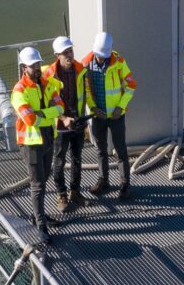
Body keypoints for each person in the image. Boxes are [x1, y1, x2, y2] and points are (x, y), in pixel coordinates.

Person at [11, 46, 65, 242]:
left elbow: (60, 106)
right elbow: (30, 120)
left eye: (39, 64)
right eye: (34, 66)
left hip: (48, 137)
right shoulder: (19, 91)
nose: (38, 68)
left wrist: (45, 113)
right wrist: (48, 113)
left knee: (45, 177)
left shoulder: (47, 83)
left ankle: (38, 216)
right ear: (24, 67)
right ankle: (40, 225)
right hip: (31, 143)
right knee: (38, 184)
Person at [83, 32, 136, 200]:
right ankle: (103, 180)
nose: (100, 59)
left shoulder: (119, 62)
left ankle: (125, 184)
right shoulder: (85, 65)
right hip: (98, 116)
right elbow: (85, 91)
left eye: (103, 56)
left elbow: (131, 85)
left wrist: (120, 107)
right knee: (101, 150)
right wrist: (92, 108)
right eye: (98, 56)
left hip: (116, 116)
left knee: (121, 150)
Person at [44, 36, 88, 212]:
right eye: (65, 53)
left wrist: (83, 120)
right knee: (59, 161)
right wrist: (63, 119)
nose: (69, 55)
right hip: (61, 126)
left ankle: (75, 192)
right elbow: (48, 102)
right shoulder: (49, 75)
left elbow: (85, 94)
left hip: (77, 122)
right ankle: (61, 194)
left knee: (77, 159)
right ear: (57, 55)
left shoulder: (80, 69)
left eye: (70, 51)